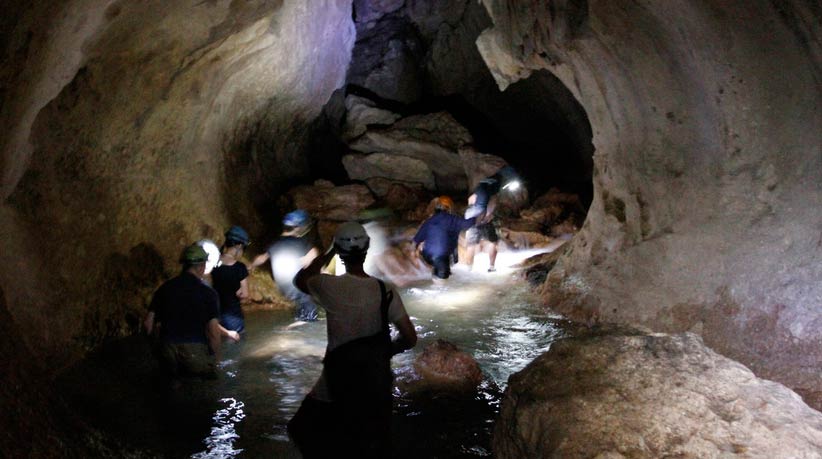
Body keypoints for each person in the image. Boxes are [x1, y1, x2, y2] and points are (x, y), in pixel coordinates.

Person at [288, 222, 417, 458]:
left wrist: (328, 253)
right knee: (371, 444)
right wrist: (386, 352)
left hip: (336, 383)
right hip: (375, 383)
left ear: (340, 252)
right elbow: (410, 338)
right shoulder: (384, 290)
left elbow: (301, 279)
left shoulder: (327, 286)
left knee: (301, 430)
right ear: (366, 250)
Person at [143, 244, 241, 383]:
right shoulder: (208, 293)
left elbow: (148, 324)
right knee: (202, 390)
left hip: (167, 350)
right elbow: (213, 331)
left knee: (171, 389)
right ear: (201, 266)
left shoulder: (164, 288)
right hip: (194, 353)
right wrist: (216, 362)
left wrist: (157, 350)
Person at [251, 209, 320, 322]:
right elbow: (314, 253)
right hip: (301, 292)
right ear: (298, 227)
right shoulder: (302, 242)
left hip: (286, 291)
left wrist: (250, 266)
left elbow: (261, 258)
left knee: (299, 317)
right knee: (310, 321)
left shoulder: (274, 244)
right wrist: (307, 259)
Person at [464, 165, 522, 272]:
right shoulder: (497, 183)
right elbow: (493, 200)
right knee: (493, 242)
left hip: (471, 213)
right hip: (482, 214)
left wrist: (471, 212)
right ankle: (491, 267)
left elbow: (471, 198)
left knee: (471, 243)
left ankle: (468, 270)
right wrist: (488, 215)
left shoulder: (484, 182)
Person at [413, 196, 476, 281]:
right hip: (440, 255)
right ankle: (439, 276)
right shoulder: (451, 219)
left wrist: (414, 254)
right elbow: (468, 223)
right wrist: (479, 215)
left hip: (428, 255)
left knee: (439, 264)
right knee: (442, 277)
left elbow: (416, 240)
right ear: (449, 208)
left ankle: (436, 271)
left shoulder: (429, 221)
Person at [211, 226, 250, 333]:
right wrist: (238, 293)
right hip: (233, 317)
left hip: (214, 316)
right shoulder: (240, 267)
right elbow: (245, 295)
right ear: (239, 246)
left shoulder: (213, 263)